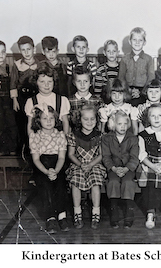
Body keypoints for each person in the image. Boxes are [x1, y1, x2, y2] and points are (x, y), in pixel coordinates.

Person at [29, 104, 69, 234]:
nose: (48, 121)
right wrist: (47, 172)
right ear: (38, 120)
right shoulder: (35, 136)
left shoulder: (60, 135)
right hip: (42, 166)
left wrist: (56, 171)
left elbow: (62, 157)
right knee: (45, 187)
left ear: (56, 120)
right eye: (45, 118)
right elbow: (36, 159)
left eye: (51, 118)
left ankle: (62, 215)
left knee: (61, 185)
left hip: (57, 164)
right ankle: (50, 217)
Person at [66, 105, 106, 229]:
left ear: (96, 120)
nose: (89, 122)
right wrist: (81, 164)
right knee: (76, 181)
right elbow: (71, 154)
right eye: (86, 119)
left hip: (94, 164)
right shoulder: (74, 135)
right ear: (79, 120)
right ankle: (77, 212)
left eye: (92, 119)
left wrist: (91, 164)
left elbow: (101, 155)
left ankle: (96, 212)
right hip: (79, 164)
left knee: (95, 181)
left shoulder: (100, 136)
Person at [101, 111, 139, 229]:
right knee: (113, 182)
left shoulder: (132, 138)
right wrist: (113, 168)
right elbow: (106, 157)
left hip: (129, 169)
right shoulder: (107, 138)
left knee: (128, 183)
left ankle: (128, 215)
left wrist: (127, 169)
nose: (122, 126)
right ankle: (114, 215)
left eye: (124, 123)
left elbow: (134, 157)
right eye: (119, 124)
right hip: (113, 168)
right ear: (113, 124)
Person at [10, 35, 39, 153]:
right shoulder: (17, 65)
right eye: (23, 50)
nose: (26, 52)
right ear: (20, 51)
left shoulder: (40, 64)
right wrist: (15, 100)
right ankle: (24, 148)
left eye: (28, 49)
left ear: (34, 49)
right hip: (22, 98)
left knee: (36, 122)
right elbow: (13, 84)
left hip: (36, 97)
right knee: (23, 123)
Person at [24, 64, 70, 136]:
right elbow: (30, 125)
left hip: (58, 142)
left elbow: (65, 122)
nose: (46, 85)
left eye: (50, 81)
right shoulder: (31, 101)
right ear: (36, 82)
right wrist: (32, 141)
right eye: (42, 82)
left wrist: (64, 140)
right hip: (39, 142)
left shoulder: (62, 100)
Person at [118, 27, 155, 106]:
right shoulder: (124, 59)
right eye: (134, 40)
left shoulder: (149, 59)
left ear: (144, 42)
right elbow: (121, 77)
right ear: (130, 41)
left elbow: (151, 78)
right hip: (127, 91)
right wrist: (128, 90)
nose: (137, 42)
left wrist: (142, 92)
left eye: (140, 40)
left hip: (144, 92)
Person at [68, 65, 104, 131]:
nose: (82, 84)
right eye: (79, 81)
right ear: (74, 82)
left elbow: (100, 123)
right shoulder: (69, 101)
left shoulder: (97, 101)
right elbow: (68, 123)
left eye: (85, 81)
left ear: (90, 82)